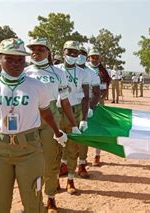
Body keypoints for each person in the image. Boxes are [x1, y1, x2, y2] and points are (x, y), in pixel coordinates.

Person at [0, 38, 68, 213]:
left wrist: (57, 132)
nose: (16, 64)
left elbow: (46, 112)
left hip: (30, 150)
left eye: (20, 60)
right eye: (9, 59)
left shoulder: (38, 87)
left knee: (33, 203)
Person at [24, 37, 81, 211]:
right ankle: (33, 201)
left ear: (48, 52)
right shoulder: (24, 72)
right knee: (29, 163)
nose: (36, 52)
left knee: (51, 162)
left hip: (51, 121)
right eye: (33, 49)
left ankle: (50, 198)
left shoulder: (58, 73)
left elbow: (64, 102)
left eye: (40, 49)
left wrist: (74, 124)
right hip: (29, 121)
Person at [56, 41, 94, 193]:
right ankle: (55, 180)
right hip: (58, 110)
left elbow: (86, 97)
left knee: (72, 147)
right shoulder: (55, 70)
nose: (72, 55)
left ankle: (70, 180)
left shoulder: (83, 73)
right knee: (55, 147)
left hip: (76, 110)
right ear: (63, 51)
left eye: (75, 53)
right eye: (69, 51)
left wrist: (84, 117)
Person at [85, 49, 104, 167]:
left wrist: (101, 98)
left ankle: (97, 156)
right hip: (83, 103)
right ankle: (83, 158)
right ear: (88, 58)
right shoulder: (83, 69)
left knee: (98, 131)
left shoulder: (103, 72)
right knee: (83, 130)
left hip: (98, 104)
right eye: (93, 57)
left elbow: (106, 86)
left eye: (97, 57)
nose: (95, 60)